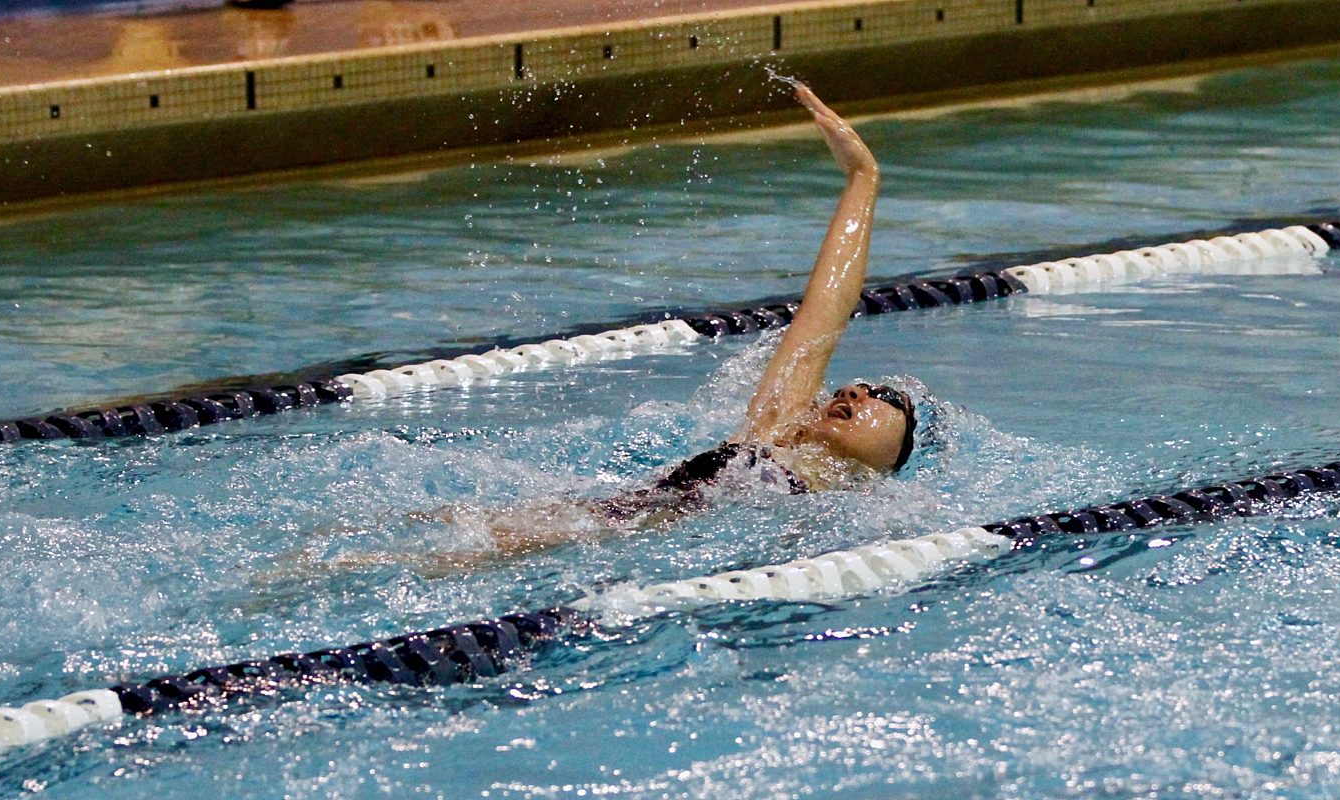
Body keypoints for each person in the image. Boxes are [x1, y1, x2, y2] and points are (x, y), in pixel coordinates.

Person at [283, 83, 920, 576]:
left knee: (402, 558)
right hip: (612, 523)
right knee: (380, 552)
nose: (857, 395)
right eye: (860, 389)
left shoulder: (864, 509)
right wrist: (863, 179)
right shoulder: (780, 428)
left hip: (623, 539)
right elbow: (825, 309)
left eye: (882, 403)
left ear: (892, 459)